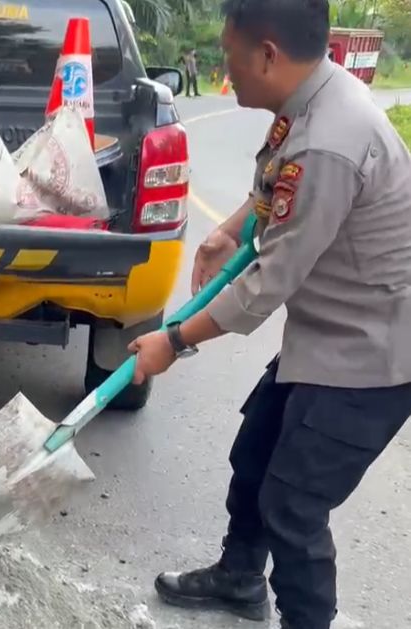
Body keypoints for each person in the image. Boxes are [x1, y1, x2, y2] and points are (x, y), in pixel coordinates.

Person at [126, 1, 411, 628]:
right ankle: (238, 579)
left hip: (375, 353)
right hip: (329, 329)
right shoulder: (306, 105)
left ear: (268, 55)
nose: (227, 71)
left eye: (231, 56)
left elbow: (266, 284)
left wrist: (172, 341)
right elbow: (272, 195)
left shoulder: (330, 140)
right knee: (256, 450)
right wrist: (227, 230)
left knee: (295, 502)